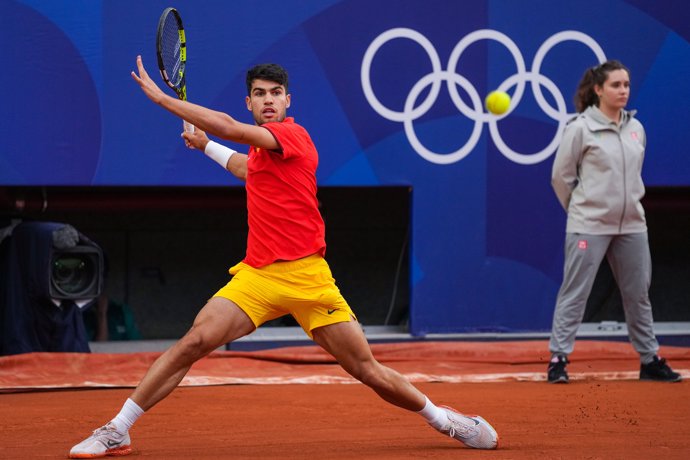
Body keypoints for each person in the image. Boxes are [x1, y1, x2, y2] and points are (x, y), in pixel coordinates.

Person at [68, 57, 498, 457]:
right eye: (260, 93)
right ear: (250, 100)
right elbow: (244, 165)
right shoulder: (261, 153)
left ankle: (445, 421)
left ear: (287, 100)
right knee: (194, 342)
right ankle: (118, 428)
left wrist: (166, 101)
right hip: (257, 277)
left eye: (275, 92)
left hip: (309, 278)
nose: (268, 100)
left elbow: (232, 129)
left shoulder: (293, 135)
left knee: (365, 368)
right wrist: (205, 147)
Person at [547, 59, 682, 384]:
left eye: (626, 85)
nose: (623, 91)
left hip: (632, 225)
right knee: (575, 292)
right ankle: (558, 359)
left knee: (638, 294)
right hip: (588, 225)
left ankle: (650, 359)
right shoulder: (579, 128)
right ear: (598, 89)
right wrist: (581, 210)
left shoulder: (637, 129)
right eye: (615, 85)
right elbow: (560, 177)